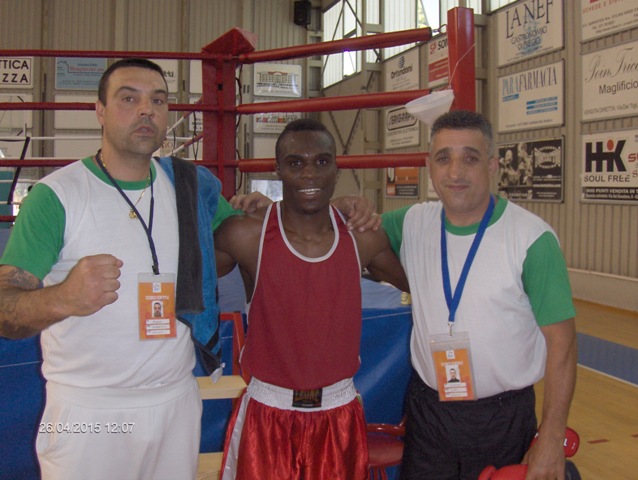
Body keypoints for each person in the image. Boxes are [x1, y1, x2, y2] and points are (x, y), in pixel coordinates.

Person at [0, 58, 371, 480]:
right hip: (90, 407)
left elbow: (266, 231)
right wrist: (62, 297)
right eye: (129, 98)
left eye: (157, 100)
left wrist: (335, 208)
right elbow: (5, 310)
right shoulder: (57, 196)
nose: (146, 110)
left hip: (174, 401)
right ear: (100, 111)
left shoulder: (192, 187)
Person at [380, 110, 577, 479]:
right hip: (429, 414)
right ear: (428, 165)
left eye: (470, 158)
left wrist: (551, 437)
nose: (455, 172)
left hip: (503, 420)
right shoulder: (411, 223)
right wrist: (345, 208)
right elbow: (344, 231)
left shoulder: (532, 239)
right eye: (443, 158)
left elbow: (563, 346)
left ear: (491, 164)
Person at [215, 118, 409, 480]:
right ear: (278, 171)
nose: (309, 174)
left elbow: (419, 285)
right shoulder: (244, 234)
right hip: (267, 414)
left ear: (336, 169)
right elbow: (185, 284)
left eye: (321, 162)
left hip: (338, 415)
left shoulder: (362, 239)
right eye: (295, 163)